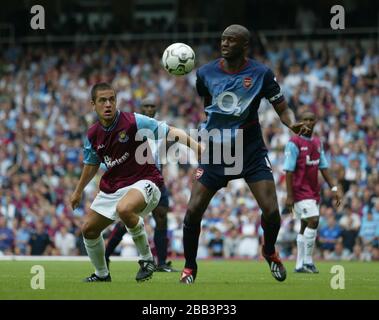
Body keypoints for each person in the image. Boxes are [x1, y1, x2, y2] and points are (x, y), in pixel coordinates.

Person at [180, 24, 311, 284]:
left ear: (244, 46)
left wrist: (292, 124)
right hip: (217, 151)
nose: (225, 44)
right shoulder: (205, 73)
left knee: (272, 212)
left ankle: (269, 250)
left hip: (250, 150)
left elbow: (282, 109)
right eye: (223, 40)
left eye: (231, 40)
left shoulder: (261, 73)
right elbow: (208, 106)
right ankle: (189, 267)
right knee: (193, 211)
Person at [70, 83, 201, 282]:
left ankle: (147, 259)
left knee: (125, 209)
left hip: (146, 180)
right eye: (102, 100)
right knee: (88, 229)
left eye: (111, 99)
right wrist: (78, 191)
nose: (108, 104)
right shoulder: (92, 134)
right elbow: (91, 164)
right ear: (93, 104)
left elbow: (171, 131)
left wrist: (197, 147)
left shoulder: (133, 122)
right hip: (114, 187)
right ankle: (102, 274)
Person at [104, 98, 178, 272]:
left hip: (157, 180)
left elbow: (161, 154)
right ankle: (105, 255)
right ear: (140, 108)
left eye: (153, 106)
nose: (150, 108)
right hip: (136, 179)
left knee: (161, 218)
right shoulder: (132, 126)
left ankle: (161, 263)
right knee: (126, 220)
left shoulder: (161, 127)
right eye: (146, 106)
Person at [284, 110, 341, 273]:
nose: (308, 122)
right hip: (299, 191)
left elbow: (323, 167)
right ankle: (308, 261)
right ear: (300, 122)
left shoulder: (317, 142)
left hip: (313, 191)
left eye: (311, 119)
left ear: (315, 122)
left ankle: (299, 265)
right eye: (305, 120)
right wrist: (289, 196)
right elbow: (288, 171)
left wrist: (334, 188)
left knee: (304, 226)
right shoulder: (293, 142)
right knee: (314, 220)